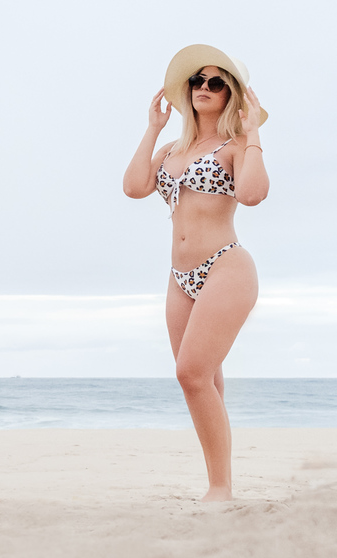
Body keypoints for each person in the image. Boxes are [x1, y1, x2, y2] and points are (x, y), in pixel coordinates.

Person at [123, 44, 270, 502]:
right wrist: (152, 129)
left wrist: (253, 133)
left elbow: (252, 194)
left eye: (216, 82)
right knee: (203, 382)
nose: (204, 88)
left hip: (226, 265)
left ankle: (220, 489)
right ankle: (220, 485)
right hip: (179, 276)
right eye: (197, 81)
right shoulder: (173, 147)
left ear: (232, 95)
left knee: (191, 374)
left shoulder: (237, 145)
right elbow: (134, 187)